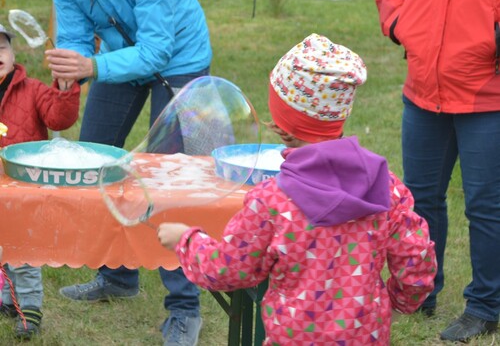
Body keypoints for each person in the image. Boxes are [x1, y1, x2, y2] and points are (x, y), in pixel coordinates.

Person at [27, 0, 212, 345]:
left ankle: (185, 307)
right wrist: (69, 65)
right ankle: (117, 276)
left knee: (168, 180)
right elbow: (70, 34)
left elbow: (156, 50)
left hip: (178, 59)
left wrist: (91, 65)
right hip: (113, 59)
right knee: (98, 163)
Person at [157, 33, 437, 345]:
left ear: (283, 123)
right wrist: (401, 303)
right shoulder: (387, 188)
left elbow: (230, 268)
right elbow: (415, 259)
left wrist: (186, 241)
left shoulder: (271, 200)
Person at [375, 0, 500, 342]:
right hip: (422, 94)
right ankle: (421, 289)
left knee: (485, 206)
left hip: (485, 99)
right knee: (422, 200)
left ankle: (486, 304)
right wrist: (402, 25)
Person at [0, 24, 80, 339]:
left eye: (2, 47)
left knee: (22, 250)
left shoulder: (31, 89)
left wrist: (63, 89)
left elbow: (59, 118)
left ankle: (29, 309)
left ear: (14, 53)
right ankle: (9, 299)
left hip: (24, 190)